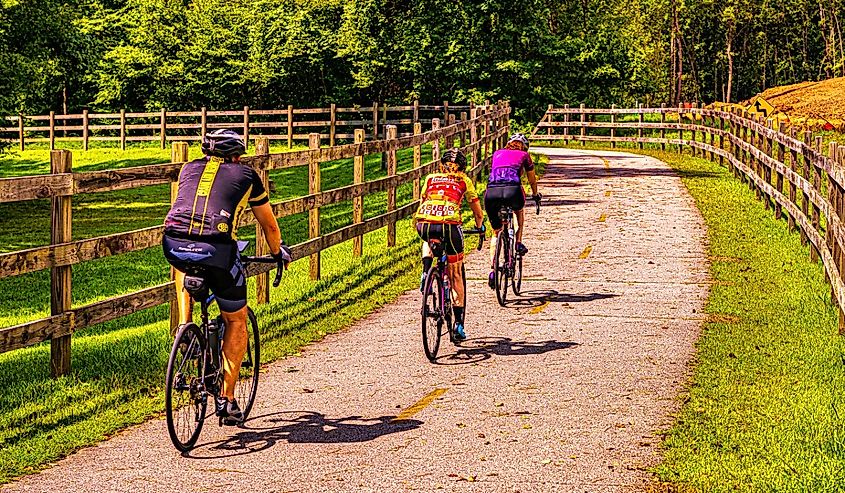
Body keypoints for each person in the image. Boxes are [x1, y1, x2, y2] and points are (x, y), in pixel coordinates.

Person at [162, 129, 291, 425]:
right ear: (236, 156)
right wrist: (277, 252)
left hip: (172, 244)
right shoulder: (247, 175)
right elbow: (270, 226)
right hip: (217, 250)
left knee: (184, 263)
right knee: (235, 319)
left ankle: (185, 327)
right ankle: (227, 399)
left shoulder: (188, 168)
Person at [414, 148, 485, 342]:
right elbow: (477, 212)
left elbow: (422, 200)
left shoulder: (430, 179)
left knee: (428, 239)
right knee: (455, 274)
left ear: (441, 166)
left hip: (424, 223)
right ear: (462, 167)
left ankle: (426, 272)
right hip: (449, 225)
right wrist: (480, 227)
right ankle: (459, 325)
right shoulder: (464, 181)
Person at [484, 133, 540, 289]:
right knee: (519, 211)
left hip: (492, 193)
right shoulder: (524, 155)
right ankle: (518, 243)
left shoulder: (497, 153)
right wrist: (535, 194)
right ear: (524, 147)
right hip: (513, 191)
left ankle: (493, 270)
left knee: (496, 233)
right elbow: (532, 179)